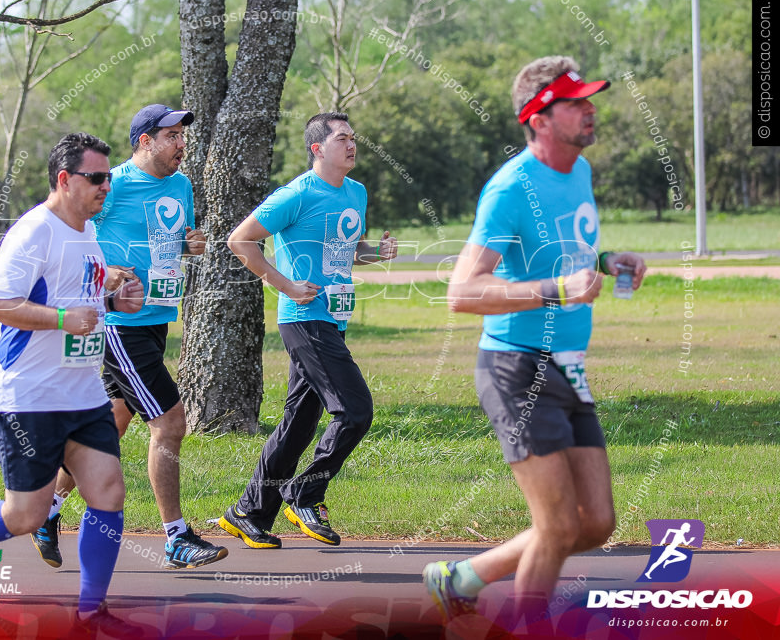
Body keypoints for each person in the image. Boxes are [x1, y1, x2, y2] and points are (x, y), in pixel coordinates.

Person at [422, 56, 647, 624]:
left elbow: (561, 255)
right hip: (517, 369)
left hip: (569, 366)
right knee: (557, 527)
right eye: (576, 103)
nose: (591, 109)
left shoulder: (579, 172)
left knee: (594, 523)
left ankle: (463, 578)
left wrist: (606, 260)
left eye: (589, 99)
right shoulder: (510, 189)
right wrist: (557, 289)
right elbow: (463, 291)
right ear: (540, 118)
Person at [0, 133, 145, 634]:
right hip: (28, 398)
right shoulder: (33, 232)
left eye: (109, 177)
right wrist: (62, 318)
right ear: (65, 179)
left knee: (108, 490)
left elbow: (82, 299)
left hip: (82, 393)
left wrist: (114, 300)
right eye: (97, 177)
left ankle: (91, 610)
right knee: (26, 516)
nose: (107, 185)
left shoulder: (87, 233)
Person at [31, 105, 227, 570]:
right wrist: (105, 272)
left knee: (107, 428)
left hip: (156, 317)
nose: (182, 143)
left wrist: (187, 245)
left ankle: (45, 512)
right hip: (121, 325)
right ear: (145, 141)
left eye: (183, 135)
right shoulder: (111, 183)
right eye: (173, 135)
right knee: (171, 424)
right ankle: (177, 538)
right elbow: (70, 228)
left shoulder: (180, 185)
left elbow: (166, 239)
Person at [217, 112, 397, 549]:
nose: (352, 144)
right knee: (355, 412)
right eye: (342, 139)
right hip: (305, 320)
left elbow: (343, 252)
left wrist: (377, 252)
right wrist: (286, 286)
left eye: (354, 137)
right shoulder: (296, 194)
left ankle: (249, 511)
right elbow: (239, 240)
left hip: (333, 319)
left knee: (299, 423)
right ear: (317, 149)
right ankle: (305, 491)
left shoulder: (356, 192)